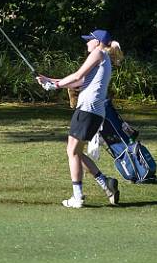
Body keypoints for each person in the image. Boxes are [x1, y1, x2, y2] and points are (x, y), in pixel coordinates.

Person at [37, 29, 121, 208]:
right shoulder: (103, 60)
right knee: (75, 151)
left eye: (89, 40)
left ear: (98, 42)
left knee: (72, 152)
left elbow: (77, 75)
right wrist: (50, 80)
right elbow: (79, 82)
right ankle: (106, 183)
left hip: (88, 109)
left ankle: (78, 197)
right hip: (95, 112)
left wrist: (56, 85)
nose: (87, 43)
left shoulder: (98, 53)